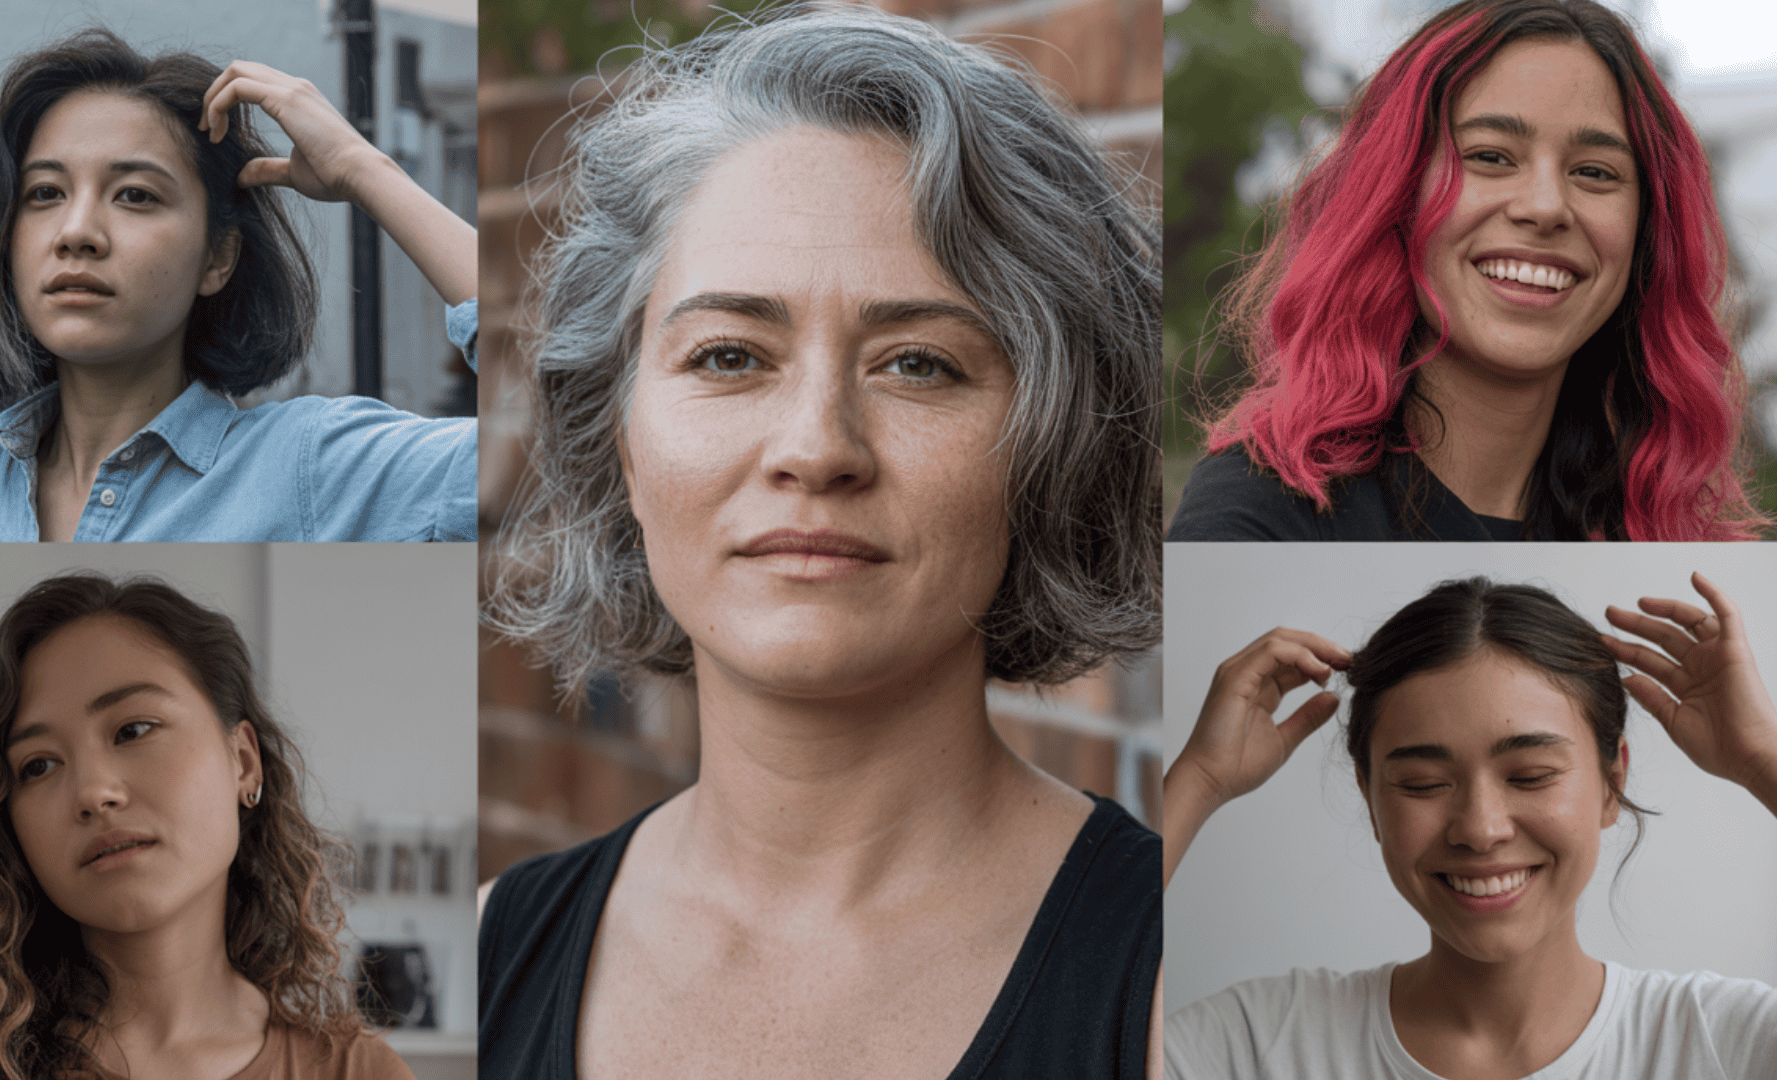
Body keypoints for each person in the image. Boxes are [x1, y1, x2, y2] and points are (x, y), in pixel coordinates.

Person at [480, 5, 1162, 1078]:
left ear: (1051, 443)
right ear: (617, 434)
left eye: (920, 364)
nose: (816, 448)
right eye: (726, 356)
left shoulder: (1184, 989)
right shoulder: (481, 959)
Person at [1167, 0, 1764, 542]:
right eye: (1489, 157)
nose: (1545, 206)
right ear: (1394, 198)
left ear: (1646, 235)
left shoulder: (1680, 548)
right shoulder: (1259, 514)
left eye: (1596, 172)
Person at [0, 28, 477, 542]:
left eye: (135, 195)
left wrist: (365, 170)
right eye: (45, 194)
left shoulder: (312, 471)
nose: (77, 232)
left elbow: (562, 436)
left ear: (218, 257)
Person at [1161, 574, 1777, 1078]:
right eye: (1424, 784)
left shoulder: (1730, 1043)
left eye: (1530, 775)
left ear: (1611, 782)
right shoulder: (1251, 1048)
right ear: (1370, 798)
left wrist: (1761, 760)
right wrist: (1196, 782)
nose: (1480, 830)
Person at [0, 573, 413, 1078]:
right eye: (39, 765)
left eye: (133, 730)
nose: (94, 794)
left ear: (243, 761)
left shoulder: (359, 1071)